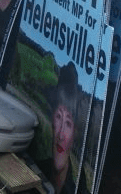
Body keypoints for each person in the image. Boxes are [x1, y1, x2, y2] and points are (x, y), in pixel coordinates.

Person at [46, 62, 81, 194]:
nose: (60, 135)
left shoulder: (78, 189)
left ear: (75, 133)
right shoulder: (34, 169)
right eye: (58, 117)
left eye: (68, 124)